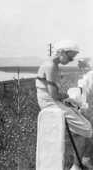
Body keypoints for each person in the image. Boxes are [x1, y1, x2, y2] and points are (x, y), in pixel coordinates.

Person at [35, 39, 93, 170]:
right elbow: (53, 94)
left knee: (85, 127)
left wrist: (64, 98)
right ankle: (76, 166)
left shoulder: (51, 64)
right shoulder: (50, 66)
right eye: (71, 57)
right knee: (86, 129)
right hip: (50, 103)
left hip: (52, 101)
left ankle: (79, 161)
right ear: (61, 52)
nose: (71, 61)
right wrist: (66, 96)